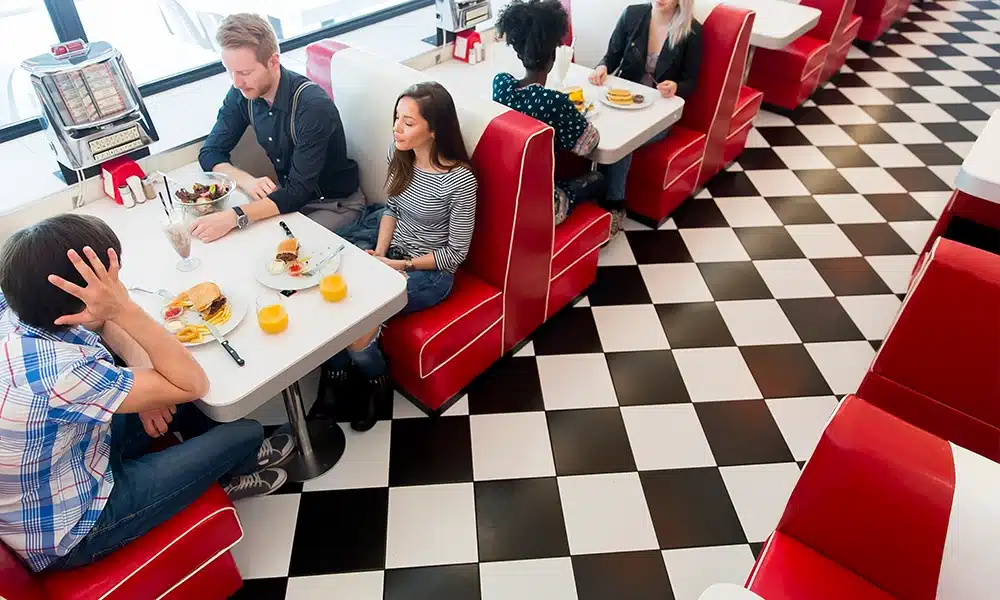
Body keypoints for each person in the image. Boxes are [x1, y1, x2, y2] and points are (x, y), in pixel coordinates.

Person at [0, 215, 293, 572]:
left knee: (187, 405)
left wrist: (145, 380)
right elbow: (192, 382)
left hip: (77, 454)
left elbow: (102, 323)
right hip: (75, 525)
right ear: (80, 291)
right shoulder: (61, 372)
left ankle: (221, 464)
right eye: (111, 278)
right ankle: (228, 474)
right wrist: (125, 307)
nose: (117, 284)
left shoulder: (20, 305)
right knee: (243, 430)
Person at [311, 83, 477, 431]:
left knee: (358, 335)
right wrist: (380, 254)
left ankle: (375, 382)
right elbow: (392, 209)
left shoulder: (459, 181)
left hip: (430, 270)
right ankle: (336, 375)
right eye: (396, 119)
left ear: (434, 129)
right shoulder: (399, 153)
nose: (396, 129)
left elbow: (456, 253)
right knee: (330, 291)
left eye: (408, 123)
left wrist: (398, 266)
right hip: (392, 253)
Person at [194, 13, 374, 245]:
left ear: (273, 61)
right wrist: (246, 180)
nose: (236, 83)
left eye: (245, 73)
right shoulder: (242, 94)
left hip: (335, 205)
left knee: (273, 250)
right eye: (230, 71)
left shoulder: (312, 106)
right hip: (290, 197)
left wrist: (234, 217)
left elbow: (296, 193)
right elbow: (210, 153)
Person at [590, 0, 701, 236]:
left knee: (623, 141)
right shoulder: (633, 14)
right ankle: (589, 192)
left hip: (660, 113)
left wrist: (676, 86)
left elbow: (691, 81)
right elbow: (611, 56)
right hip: (623, 102)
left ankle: (615, 205)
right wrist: (601, 68)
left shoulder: (691, 30)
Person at [492, 0, 606, 226]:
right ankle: (604, 228)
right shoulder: (554, 102)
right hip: (542, 208)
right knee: (598, 177)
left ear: (518, 52)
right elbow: (588, 145)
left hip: (505, 195)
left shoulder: (501, 84)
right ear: (553, 57)